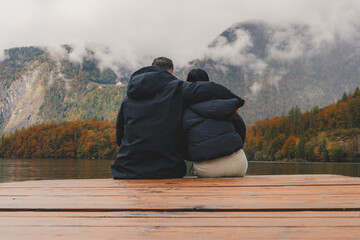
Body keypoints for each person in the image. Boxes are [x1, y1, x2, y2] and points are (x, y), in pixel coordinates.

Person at [112, 57, 241, 179]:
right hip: (167, 171)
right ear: (171, 74)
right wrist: (237, 100)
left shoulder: (128, 99)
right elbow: (210, 88)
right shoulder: (177, 89)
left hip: (126, 170)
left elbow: (120, 137)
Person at [183, 69, 248, 178]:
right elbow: (241, 128)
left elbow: (183, 142)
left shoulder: (184, 109)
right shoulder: (225, 104)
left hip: (207, 170)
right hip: (239, 166)